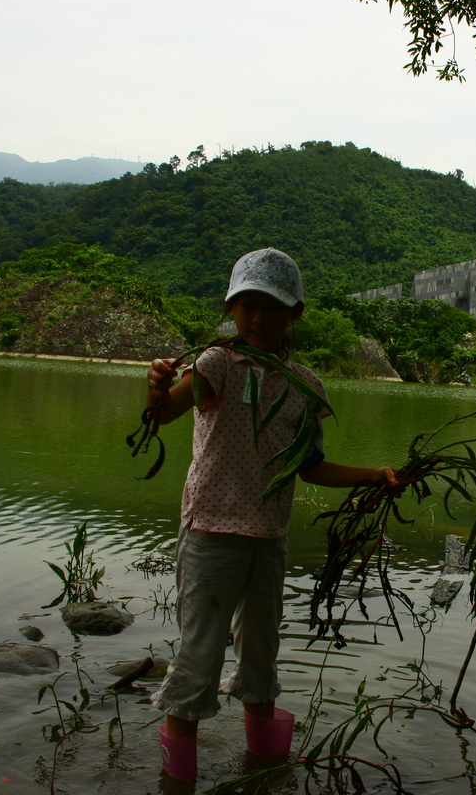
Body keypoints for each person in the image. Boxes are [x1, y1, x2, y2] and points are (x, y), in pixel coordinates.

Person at [146, 248, 398, 782]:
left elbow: (311, 466)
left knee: (261, 655)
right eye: (249, 305)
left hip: (269, 538)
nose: (259, 319)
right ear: (231, 307)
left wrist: (374, 474)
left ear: (295, 313)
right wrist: (155, 388)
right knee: (199, 657)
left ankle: (263, 771)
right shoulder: (216, 363)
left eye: (273, 308)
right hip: (211, 532)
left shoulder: (304, 385)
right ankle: (178, 782)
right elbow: (164, 413)